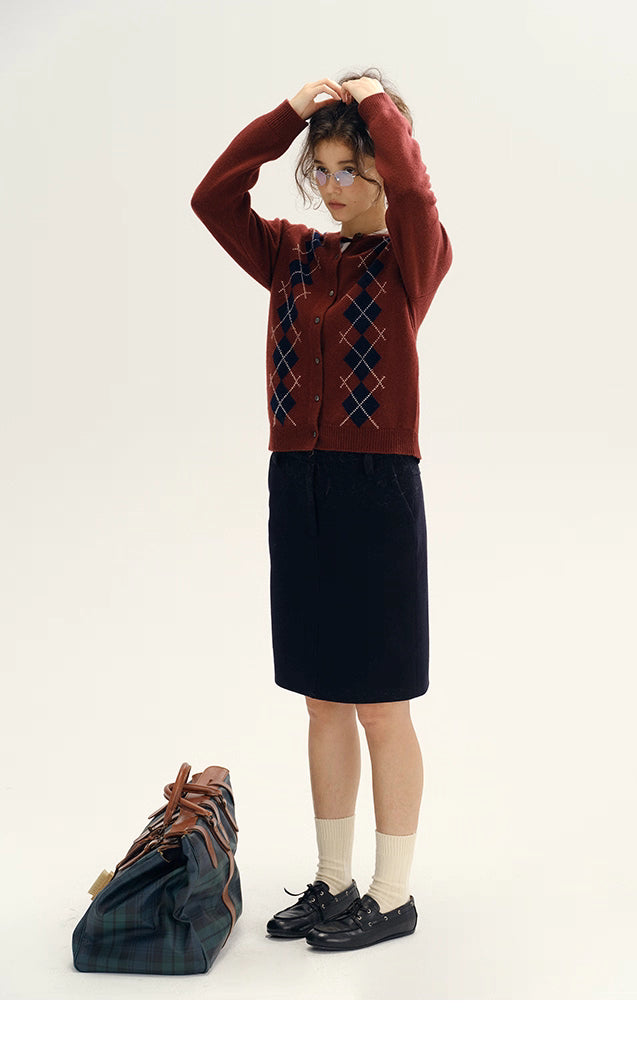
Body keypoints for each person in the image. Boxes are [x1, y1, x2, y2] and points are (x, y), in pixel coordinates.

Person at [191, 69, 452, 951]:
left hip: (377, 491)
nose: (335, 188)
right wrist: (288, 116)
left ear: (384, 168)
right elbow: (212, 196)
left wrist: (377, 103)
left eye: (353, 170)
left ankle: (391, 893)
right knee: (322, 703)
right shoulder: (290, 254)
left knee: (382, 704)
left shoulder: (415, 257)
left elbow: (416, 193)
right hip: (296, 487)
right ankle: (334, 880)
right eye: (325, 170)